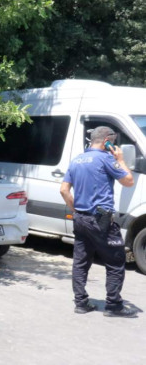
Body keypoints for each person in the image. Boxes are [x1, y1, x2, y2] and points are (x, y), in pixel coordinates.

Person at [59, 126, 136, 318]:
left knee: (81, 261)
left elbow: (64, 190)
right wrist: (120, 159)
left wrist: (75, 208)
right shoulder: (107, 158)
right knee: (116, 261)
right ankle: (113, 305)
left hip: (81, 219)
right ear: (107, 141)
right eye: (113, 141)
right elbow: (128, 181)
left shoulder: (76, 160)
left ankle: (81, 303)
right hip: (101, 221)